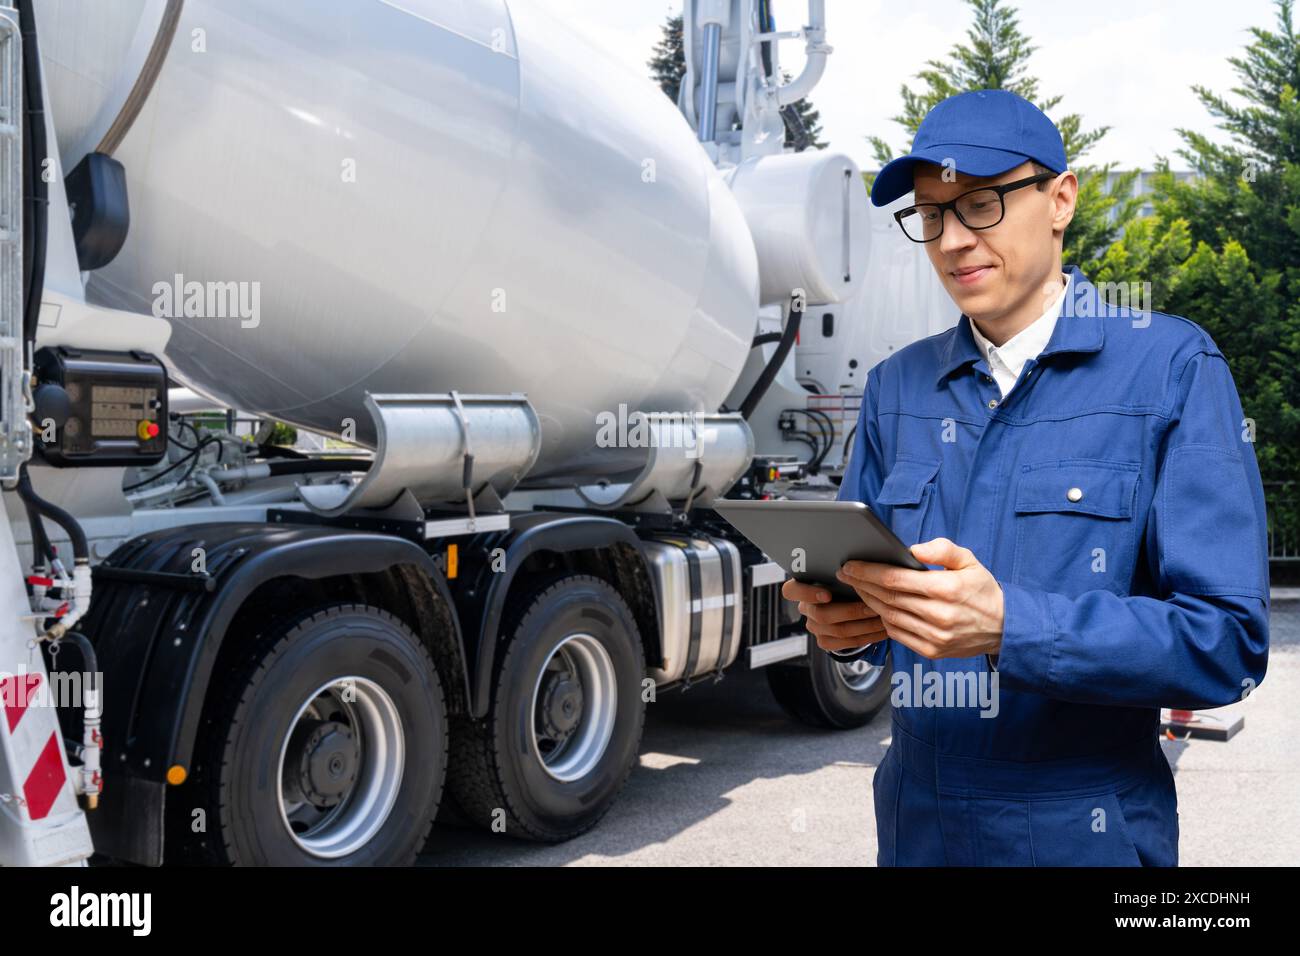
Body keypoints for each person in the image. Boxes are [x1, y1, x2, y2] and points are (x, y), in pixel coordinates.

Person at [782, 89, 1270, 866]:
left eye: (979, 204)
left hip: (1084, 830)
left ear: (1060, 199)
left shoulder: (1170, 369)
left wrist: (1013, 625)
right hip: (918, 827)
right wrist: (850, 637)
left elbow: (1228, 644)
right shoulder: (896, 388)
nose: (951, 240)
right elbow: (871, 610)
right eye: (931, 215)